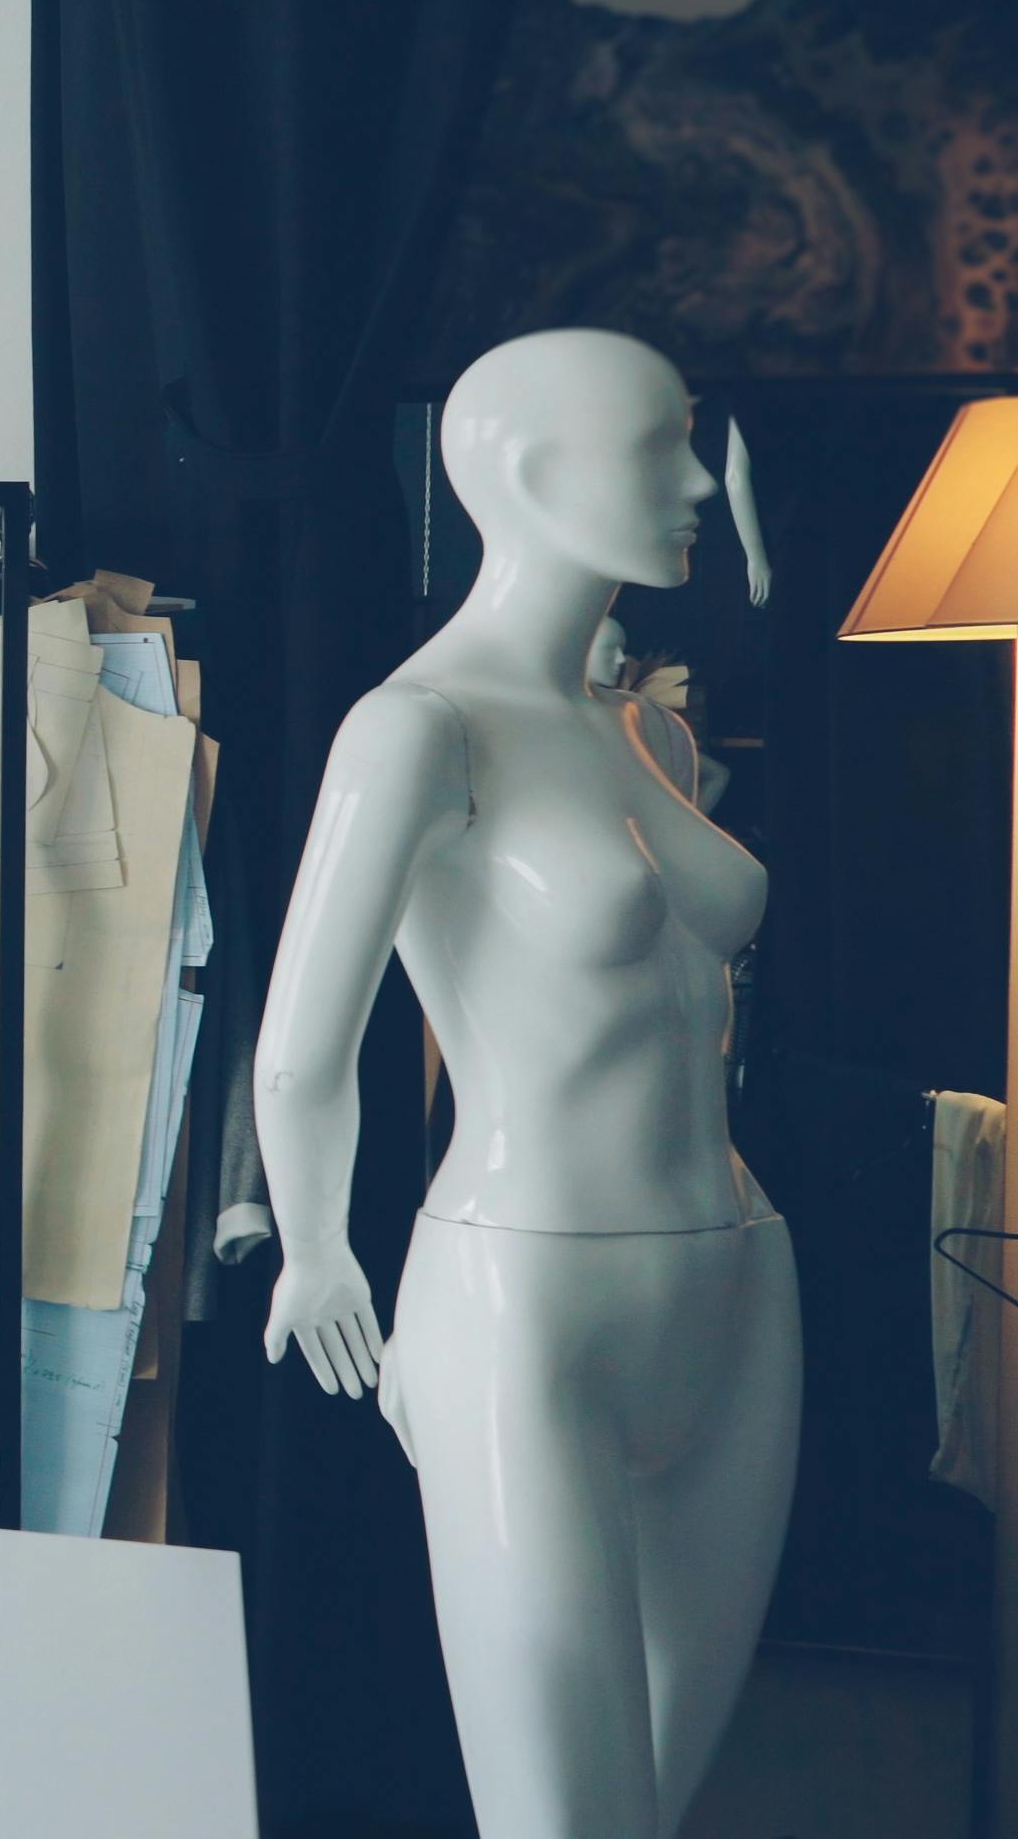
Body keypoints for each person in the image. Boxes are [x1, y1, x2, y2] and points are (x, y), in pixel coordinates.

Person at [253, 329, 792, 1839]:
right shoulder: (416, 732)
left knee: (651, 1808)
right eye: (662, 446)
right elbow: (303, 1041)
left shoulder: (654, 733)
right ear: (538, 476)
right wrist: (313, 1246)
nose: (697, 476)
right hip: (522, 1309)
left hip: (739, 1277)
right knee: (569, 1821)